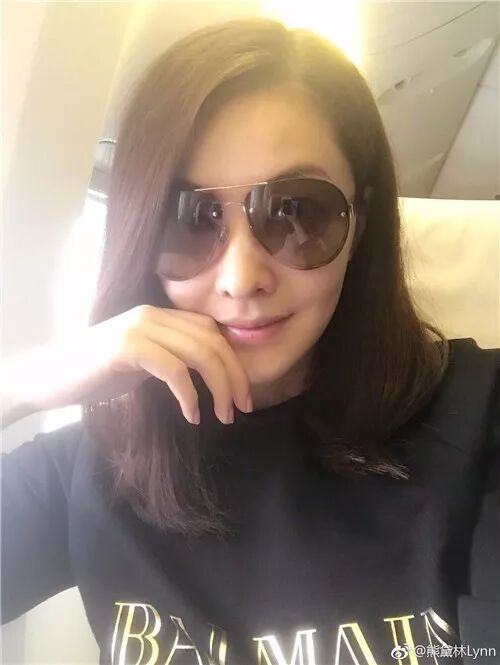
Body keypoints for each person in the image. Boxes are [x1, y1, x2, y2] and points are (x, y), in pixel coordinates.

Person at [1, 16, 499, 665]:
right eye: (192, 218)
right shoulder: (97, 465)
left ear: (362, 220)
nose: (242, 278)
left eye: (296, 211)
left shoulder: (481, 418)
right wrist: (25, 382)